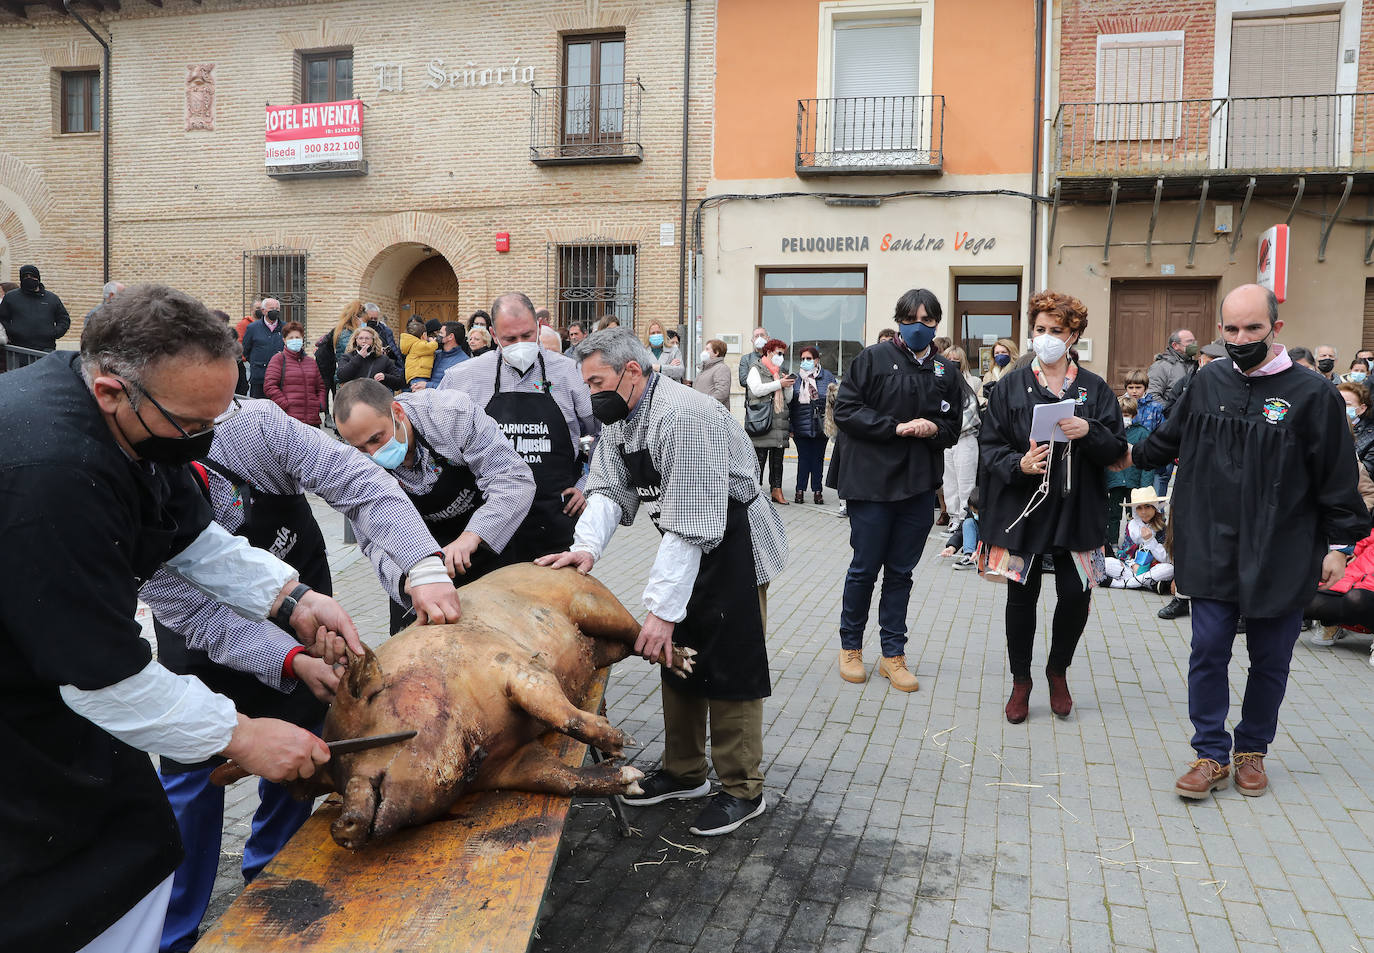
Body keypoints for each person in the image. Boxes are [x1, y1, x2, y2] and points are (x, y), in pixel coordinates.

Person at [0, 283, 363, 953]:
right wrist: (243, 733)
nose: (205, 440)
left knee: (136, 843)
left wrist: (294, 599)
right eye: (193, 426)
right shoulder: (53, 476)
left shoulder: (126, 421)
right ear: (112, 389)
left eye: (216, 420)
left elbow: (190, 537)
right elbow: (103, 680)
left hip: (64, 697)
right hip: (22, 726)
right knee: (74, 893)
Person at [140, 399, 459, 952]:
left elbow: (357, 481)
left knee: (299, 764)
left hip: (303, 602)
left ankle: (270, 894)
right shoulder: (128, 491)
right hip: (202, 643)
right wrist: (288, 659)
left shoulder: (253, 427)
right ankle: (174, 933)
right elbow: (202, 614)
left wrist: (422, 568)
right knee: (192, 786)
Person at [536, 327, 787, 837]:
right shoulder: (621, 417)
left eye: (598, 381)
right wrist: (585, 548)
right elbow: (607, 488)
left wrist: (659, 610)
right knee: (676, 659)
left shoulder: (685, 415)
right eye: (586, 385)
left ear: (633, 371)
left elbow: (694, 523)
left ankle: (742, 788)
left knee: (731, 665)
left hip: (735, 544)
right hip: (685, 544)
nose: (592, 395)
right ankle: (685, 771)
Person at [1125, 283, 1367, 799]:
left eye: (1252, 328)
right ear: (1219, 330)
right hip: (1212, 543)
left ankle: (1252, 750)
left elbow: (1336, 477)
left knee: (1271, 658)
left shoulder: (1312, 394)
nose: (1241, 338)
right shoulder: (1207, 379)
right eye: (1231, 329)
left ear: (1275, 329)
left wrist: (1338, 547)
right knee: (1208, 648)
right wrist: (1102, 441)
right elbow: (1163, 443)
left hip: (1283, 548)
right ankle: (1210, 753)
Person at [980, 290, 1126, 724]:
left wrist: (1089, 430)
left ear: (1074, 334)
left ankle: (1057, 670)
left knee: (1075, 595)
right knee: (1021, 598)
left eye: (1055, 331)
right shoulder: (1010, 386)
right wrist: (1018, 463)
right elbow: (990, 447)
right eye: (1039, 330)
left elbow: (1117, 449)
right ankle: (1021, 681)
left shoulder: (1095, 389)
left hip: (1077, 507)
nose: (1045, 338)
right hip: (1023, 509)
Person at [829, 289, 962, 691]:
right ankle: (850, 647)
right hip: (871, 483)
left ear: (937, 323)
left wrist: (934, 428)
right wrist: (897, 427)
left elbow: (954, 427)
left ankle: (893, 655)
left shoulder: (945, 371)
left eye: (927, 319)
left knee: (901, 572)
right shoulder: (872, 358)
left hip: (918, 485)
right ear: (899, 320)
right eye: (911, 318)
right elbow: (846, 411)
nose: (918, 326)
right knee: (865, 569)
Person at [334, 378, 536, 633]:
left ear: (397, 412)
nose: (373, 454)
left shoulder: (451, 415)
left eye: (377, 439)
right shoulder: (356, 464)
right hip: (414, 560)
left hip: (483, 541)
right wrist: (404, 579)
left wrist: (473, 536)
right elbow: (373, 538)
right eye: (361, 447)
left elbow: (511, 478)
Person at [440, 292, 597, 567]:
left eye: (527, 335)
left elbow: (607, 433)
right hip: (486, 525)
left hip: (553, 522)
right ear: (493, 333)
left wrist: (588, 485)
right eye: (510, 339)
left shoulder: (570, 373)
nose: (521, 345)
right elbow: (437, 439)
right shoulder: (463, 377)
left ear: (538, 327)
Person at [745, 338, 793, 505]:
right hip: (762, 421)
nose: (781, 357)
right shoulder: (755, 368)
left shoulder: (779, 371)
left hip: (779, 421)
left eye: (783, 354)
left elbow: (788, 398)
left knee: (778, 459)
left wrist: (788, 386)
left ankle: (776, 490)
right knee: (759, 459)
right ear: (769, 352)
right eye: (778, 353)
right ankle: (755, 493)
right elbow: (756, 390)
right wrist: (779, 383)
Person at [787, 345, 837, 504]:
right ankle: (799, 491)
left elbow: (834, 401)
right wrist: (790, 427)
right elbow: (789, 404)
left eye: (808, 358)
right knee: (803, 460)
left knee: (818, 460)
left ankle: (817, 491)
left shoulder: (827, 376)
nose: (805, 361)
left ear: (816, 360)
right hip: (800, 425)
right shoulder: (796, 378)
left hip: (820, 426)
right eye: (802, 359)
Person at [940, 346, 982, 525]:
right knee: (949, 483)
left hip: (964, 439)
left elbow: (971, 415)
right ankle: (954, 519)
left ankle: (967, 522)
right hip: (947, 441)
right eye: (948, 359)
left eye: (955, 360)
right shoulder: (940, 383)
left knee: (965, 483)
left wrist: (947, 426)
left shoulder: (970, 385)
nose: (952, 363)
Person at [1103, 488, 1174, 591]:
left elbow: (1166, 558)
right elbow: (1124, 554)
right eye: (1139, 508)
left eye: (1148, 507)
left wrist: (1150, 541)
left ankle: (1121, 584)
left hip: (1153, 569)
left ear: (1155, 508)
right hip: (1132, 569)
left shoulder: (1162, 528)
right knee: (1105, 562)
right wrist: (1132, 565)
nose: (1144, 512)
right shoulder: (1131, 526)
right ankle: (1148, 584)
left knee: (1169, 569)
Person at [1105, 395, 1153, 545]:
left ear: (1134, 415)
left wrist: (1145, 485)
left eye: (1127, 415)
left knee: (1135, 516)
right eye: (1121, 415)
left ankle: (1132, 544)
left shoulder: (1142, 433)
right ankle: (1112, 543)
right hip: (1115, 481)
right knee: (1114, 514)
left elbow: (1147, 461)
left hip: (1134, 483)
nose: (1124, 418)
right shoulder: (1110, 433)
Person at [263, 321, 325, 428]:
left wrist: (319, 404)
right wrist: (285, 404)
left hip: (312, 420)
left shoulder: (311, 362)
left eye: (297, 337)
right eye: (291, 338)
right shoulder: (278, 359)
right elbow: (270, 386)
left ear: (302, 339)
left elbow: (320, 387)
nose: (294, 340)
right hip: (289, 419)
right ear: (284, 340)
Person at [0, 264, 71, 351]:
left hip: (46, 348)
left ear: (38, 277)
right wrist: (13, 332)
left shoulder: (52, 298)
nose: (29, 278)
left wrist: (54, 332)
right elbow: (3, 319)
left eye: (32, 276)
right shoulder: (11, 297)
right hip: (19, 348)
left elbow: (64, 319)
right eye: (25, 276)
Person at [313, 299, 364, 400]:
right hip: (347, 378)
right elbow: (351, 352)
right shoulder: (346, 334)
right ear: (355, 317)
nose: (363, 321)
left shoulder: (349, 332)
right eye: (362, 317)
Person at [335, 324, 404, 390]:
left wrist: (385, 377)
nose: (364, 341)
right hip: (353, 398)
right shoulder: (347, 357)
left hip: (374, 399)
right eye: (360, 338)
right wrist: (359, 357)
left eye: (367, 338)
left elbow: (399, 383)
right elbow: (341, 376)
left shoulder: (383, 359)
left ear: (373, 341)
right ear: (356, 340)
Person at [240, 297, 285, 398]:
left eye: (277, 309)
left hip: (280, 378)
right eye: (271, 308)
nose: (274, 311)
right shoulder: (253, 328)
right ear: (263, 311)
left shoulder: (285, 328)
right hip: (259, 378)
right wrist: (257, 362)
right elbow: (246, 350)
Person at [1147, 328, 1198, 412]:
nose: (1194, 345)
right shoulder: (1160, 367)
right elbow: (1152, 395)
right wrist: (1172, 412)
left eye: (1194, 341)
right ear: (1175, 345)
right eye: (1189, 341)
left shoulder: (1195, 365)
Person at [938, 486, 981, 570]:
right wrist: (951, 547)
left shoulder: (996, 516)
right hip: (978, 545)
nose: (976, 515)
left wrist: (982, 550)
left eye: (978, 513)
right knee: (968, 523)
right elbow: (961, 532)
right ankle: (969, 556)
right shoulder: (970, 513)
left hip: (992, 546)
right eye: (974, 512)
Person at [1339, 380, 1374, 480]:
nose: (1341, 407)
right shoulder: (1322, 425)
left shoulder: (1370, 437)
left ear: (1362, 408)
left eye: (1347, 404)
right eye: (1337, 401)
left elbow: (1366, 473)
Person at [693, 338, 731, 409]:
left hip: (712, 412)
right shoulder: (705, 368)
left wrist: (706, 404)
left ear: (716, 352)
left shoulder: (721, 368)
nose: (704, 352)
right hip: (702, 411)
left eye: (707, 349)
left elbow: (722, 392)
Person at [980, 337, 1019, 405]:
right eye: (997, 353)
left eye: (1003, 352)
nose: (1000, 355)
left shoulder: (1018, 372)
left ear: (1011, 353)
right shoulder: (989, 374)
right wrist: (986, 402)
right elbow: (979, 396)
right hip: (991, 411)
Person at [400, 318, 438, 387]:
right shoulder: (418, 345)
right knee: (420, 393)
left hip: (416, 375)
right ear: (423, 335)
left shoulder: (414, 344)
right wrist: (433, 342)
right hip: (418, 375)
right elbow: (429, 347)